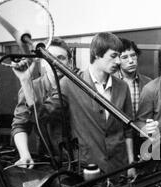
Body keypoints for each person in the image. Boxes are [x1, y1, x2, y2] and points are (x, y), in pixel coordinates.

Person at [42, 32, 135, 176]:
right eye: (113, 56)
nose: (118, 61)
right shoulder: (70, 84)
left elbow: (127, 130)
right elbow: (43, 114)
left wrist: (131, 164)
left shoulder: (122, 87)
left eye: (119, 56)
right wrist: (25, 80)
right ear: (97, 54)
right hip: (89, 169)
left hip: (119, 167)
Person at [11, 37, 73, 168]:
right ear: (43, 62)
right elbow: (20, 124)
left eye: (61, 57)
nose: (55, 62)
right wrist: (24, 154)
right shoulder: (30, 87)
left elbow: (43, 113)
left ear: (69, 62)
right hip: (46, 159)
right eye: (50, 58)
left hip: (75, 159)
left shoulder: (75, 86)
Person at [114, 38, 151, 159]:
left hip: (143, 139)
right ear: (117, 60)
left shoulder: (148, 83)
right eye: (124, 57)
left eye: (133, 55)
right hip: (120, 141)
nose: (131, 61)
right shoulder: (112, 83)